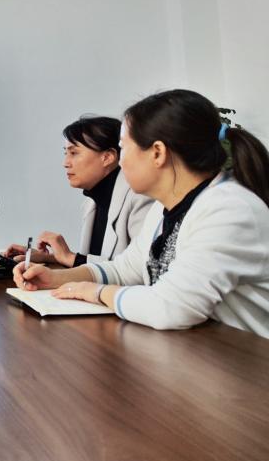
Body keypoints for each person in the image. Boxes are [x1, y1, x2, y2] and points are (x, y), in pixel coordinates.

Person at [15, 89, 269, 338]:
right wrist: (55, 278)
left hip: (242, 359)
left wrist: (96, 292)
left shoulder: (229, 210)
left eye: (123, 148)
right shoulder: (163, 208)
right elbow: (124, 270)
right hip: (196, 349)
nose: (120, 161)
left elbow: (172, 308)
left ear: (157, 153)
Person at [6, 116, 154, 266]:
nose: (65, 163)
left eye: (74, 153)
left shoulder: (141, 198)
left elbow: (142, 267)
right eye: (65, 153)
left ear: (107, 157)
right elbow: (96, 261)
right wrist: (50, 257)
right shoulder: (91, 201)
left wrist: (69, 256)